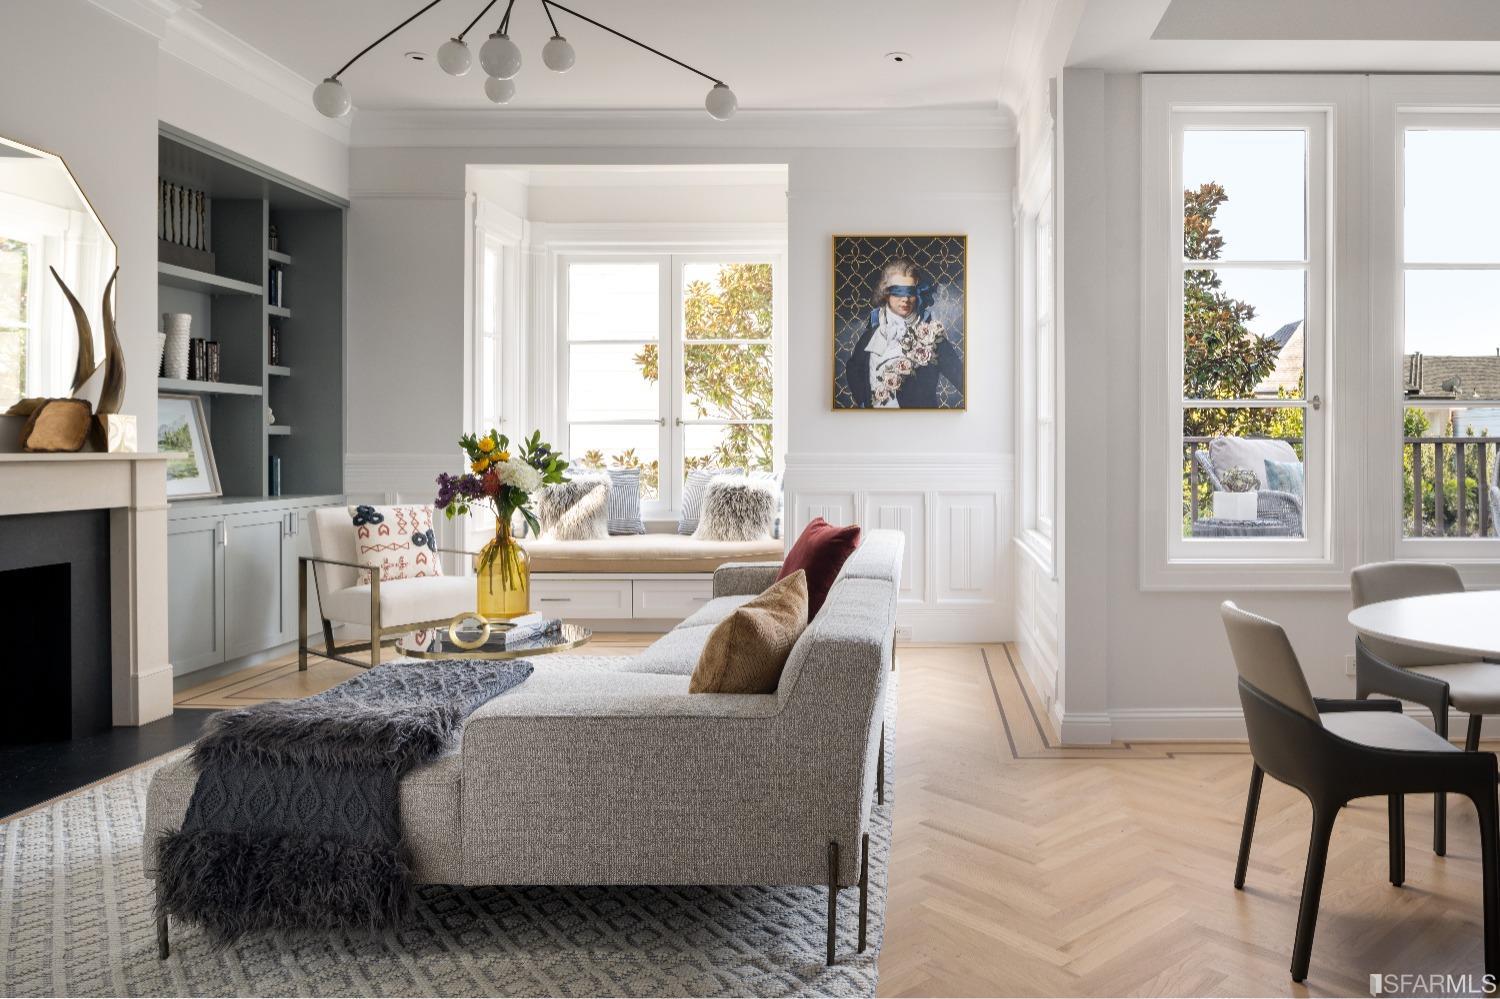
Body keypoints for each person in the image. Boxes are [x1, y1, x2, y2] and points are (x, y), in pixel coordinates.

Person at [843, 256, 964, 409]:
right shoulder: (870, 337)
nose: (905, 299)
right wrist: (864, 400)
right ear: (885, 293)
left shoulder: (932, 337)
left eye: (910, 292)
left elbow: (962, 379)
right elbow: (853, 368)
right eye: (898, 292)